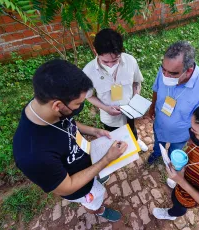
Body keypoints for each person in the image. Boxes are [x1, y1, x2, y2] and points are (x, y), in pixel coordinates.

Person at [13, 59, 128, 222]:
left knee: (97, 180)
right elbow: (66, 188)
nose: (79, 107)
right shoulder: (32, 155)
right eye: (78, 104)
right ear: (57, 105)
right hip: (80, 188)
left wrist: (93, 131)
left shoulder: (44, 106)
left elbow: (67, 123)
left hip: (87, 163)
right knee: (95, 197)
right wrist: (107, 159)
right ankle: (98, 210)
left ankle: (96, 178)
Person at [147, 41, 199, 187]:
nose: (165, 75)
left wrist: (194, 139)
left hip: (181, 135)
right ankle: (156, 153)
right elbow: (156, 88)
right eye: (164, 70)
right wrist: (152, 106)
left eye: (173, 73)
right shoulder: (166, 70)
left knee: (175, 152)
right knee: (158, 143)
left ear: (189, 70)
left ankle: (171, 164)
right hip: (160, 124)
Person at [83, 28, 148, 152]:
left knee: (131, 128)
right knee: (113, 137)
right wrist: (106, 108)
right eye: (105, 61)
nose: (111, 65)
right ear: (95, 51)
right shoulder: (88, 71)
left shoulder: (130, 61)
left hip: (130, 111)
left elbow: (136, 82)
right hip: (109, 116)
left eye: (115, 60)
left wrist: (135, 99)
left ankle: (135, 140)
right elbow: (89, 96)